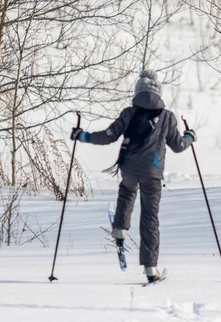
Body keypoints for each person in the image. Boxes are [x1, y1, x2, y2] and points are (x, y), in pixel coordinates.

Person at [71, 70, 196, 283]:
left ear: (138, 90)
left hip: (128, 168)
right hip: (152, 172)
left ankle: (119, 228)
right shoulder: (167, 117)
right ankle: (150, 268)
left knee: (127, 193)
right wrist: (189, 137)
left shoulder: (129, 113)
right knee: (150, 218)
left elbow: (108, 136)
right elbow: (177, 146)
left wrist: (82, 136)